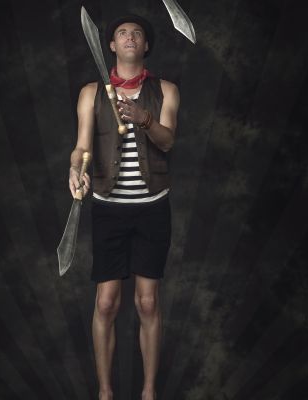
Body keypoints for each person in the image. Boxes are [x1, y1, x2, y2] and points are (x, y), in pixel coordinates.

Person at [69, 14, 180, 400]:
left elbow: (167, 141)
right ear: (112, 46)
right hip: (108, 209)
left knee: (147, 303)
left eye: (137, 33)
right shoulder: (91, 93)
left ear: (146, 45)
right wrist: (75, 169)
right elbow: (81, 147)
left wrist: (143, 118)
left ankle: (149, 392)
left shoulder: (166, 90)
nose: (130, 36)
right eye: (122, 33)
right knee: (105, 303)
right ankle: (105, 393)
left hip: (152, 208)